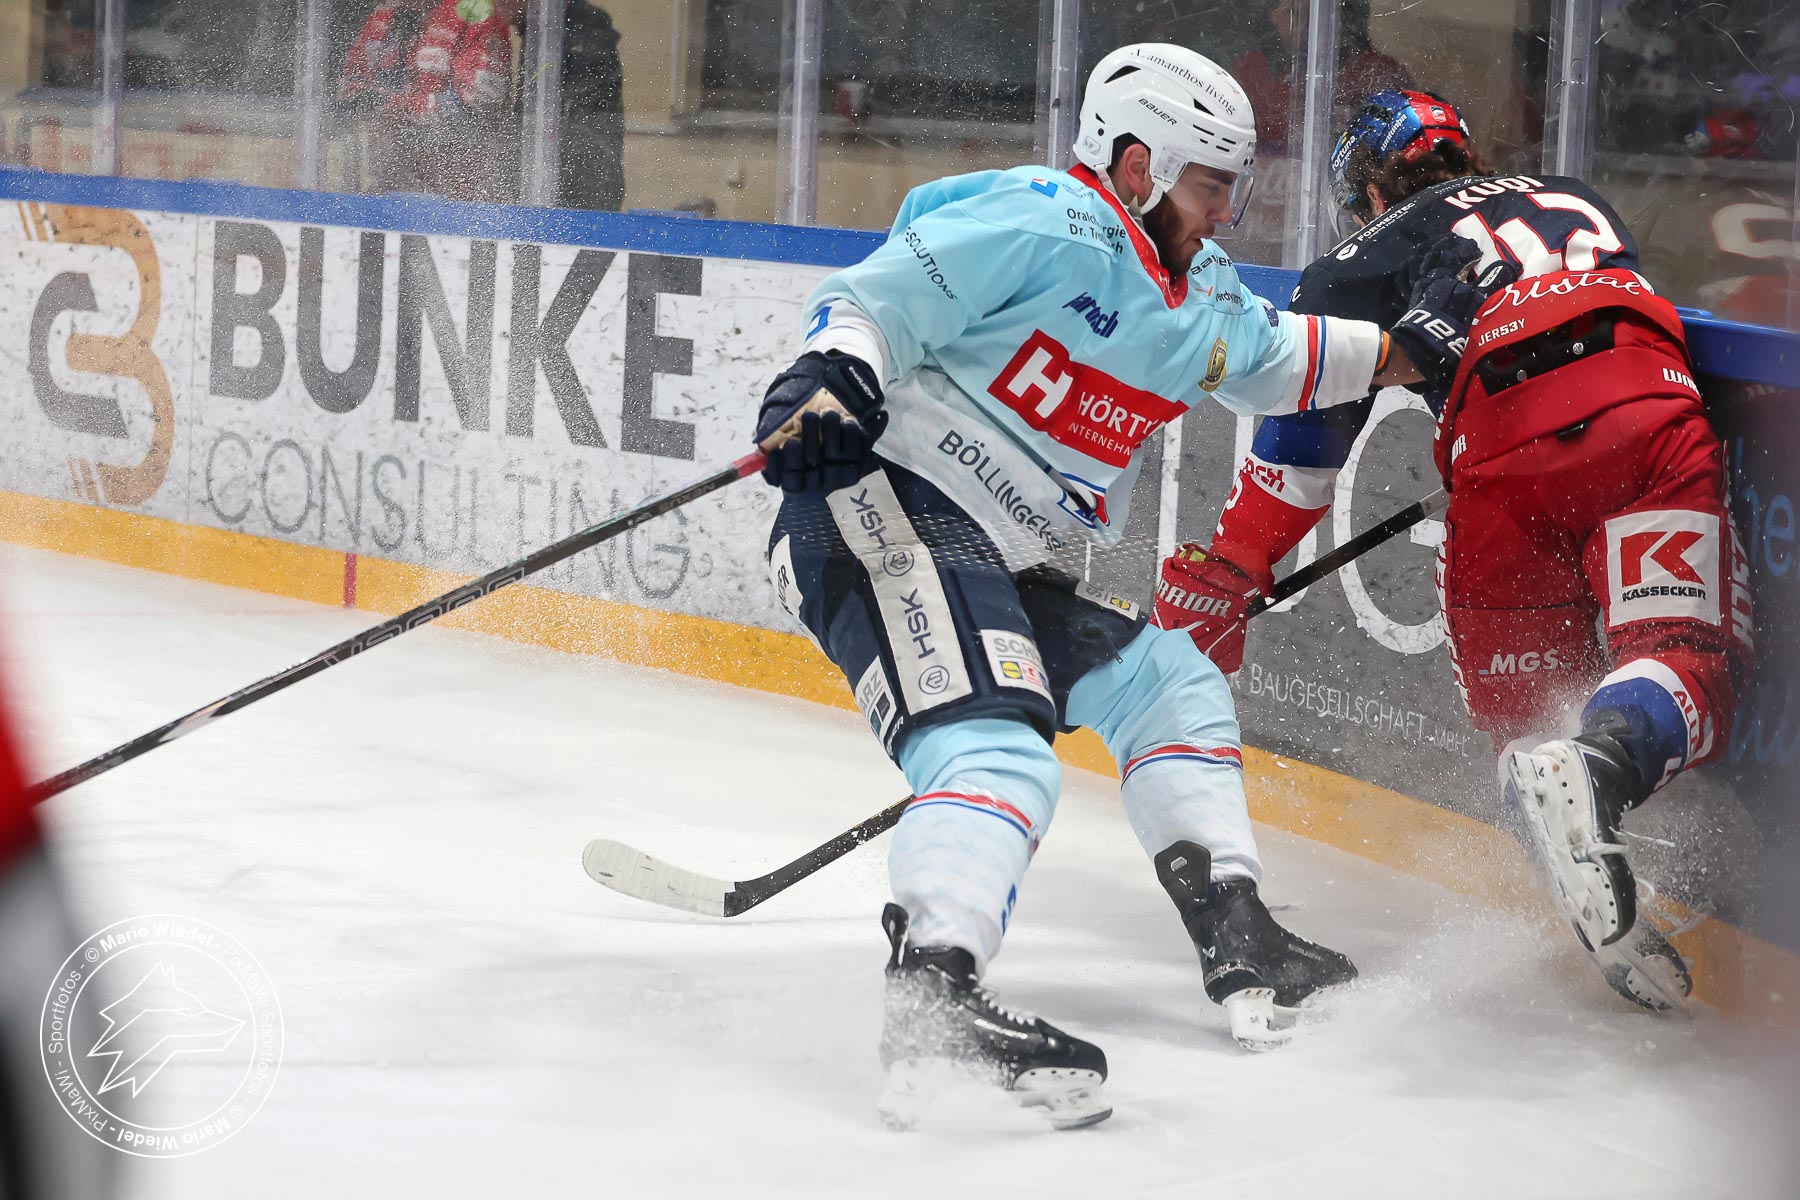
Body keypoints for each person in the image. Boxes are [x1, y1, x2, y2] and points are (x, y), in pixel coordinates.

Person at [754, 45, 1436, 1128]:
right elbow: (875, 302)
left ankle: (1239, 932)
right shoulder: (1041, 220)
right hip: (879, 504)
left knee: (1170, 682)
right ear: (1136, 163)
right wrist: (825, 376)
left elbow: (1285, 360)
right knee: (997, 750)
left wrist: (1421, 351)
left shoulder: (1198, 295)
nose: (1227, 211)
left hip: (989, 557)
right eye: (1210, 184)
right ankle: (932, 1000)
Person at [1154, 89, 1756, 1014]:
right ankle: (1602, 778)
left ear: (1369, 187)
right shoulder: (1572, 193)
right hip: (1634, 407)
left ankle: (1586, 846)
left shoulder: (1356, 257)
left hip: (1493, 456)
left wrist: (1232, 572)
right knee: (1679, 655)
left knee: (1528, 729)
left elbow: (1297, 468)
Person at [337, 0, 520, 202]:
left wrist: (398, 106)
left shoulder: (475, 10)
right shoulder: (384, 14)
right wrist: (365, 102)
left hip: (458, 191)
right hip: (389, 184)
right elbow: (351, 89)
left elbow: (479, 101)